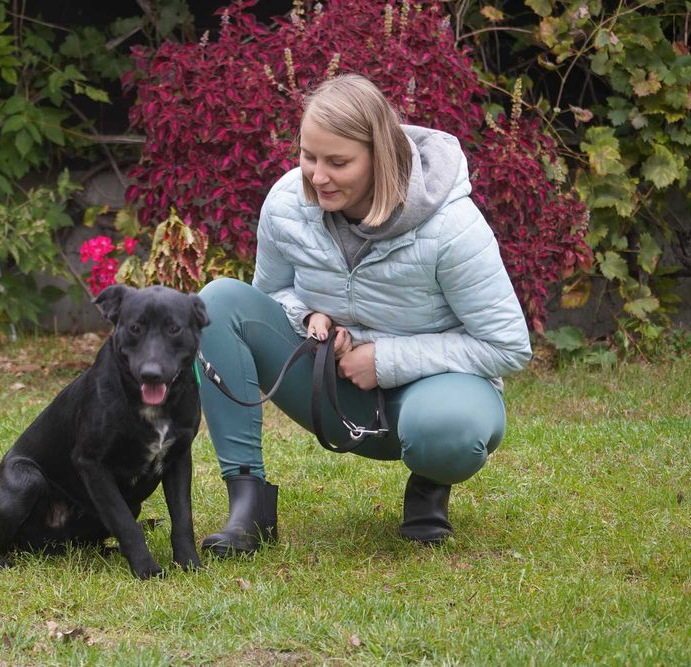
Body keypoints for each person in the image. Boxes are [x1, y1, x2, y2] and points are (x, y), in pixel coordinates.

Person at [196, 74, 532, 555]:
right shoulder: (287, 202)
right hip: (331, 390)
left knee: (447, 432)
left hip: (431, 399)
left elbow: (507, 345)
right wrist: (310, 317)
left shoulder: (453, 226)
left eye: (338, 162)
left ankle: (429, 484)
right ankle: (248, 507)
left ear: (381, 156)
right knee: (218, 303)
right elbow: (269, 298)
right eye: (308, 156)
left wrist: (384, 359)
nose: (317, 176)